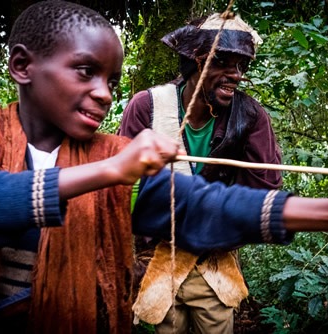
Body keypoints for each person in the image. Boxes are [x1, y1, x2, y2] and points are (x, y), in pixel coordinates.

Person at [0, 2, 328, 334]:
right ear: (22, 67)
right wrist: (114, 171)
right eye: (86, 71)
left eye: (111, 78)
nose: (104, 93)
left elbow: (200, 204)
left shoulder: (112, 157)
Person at [118, 12, 282, 333]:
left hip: (214, 263)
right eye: (223, 62)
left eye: (241, 67)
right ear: (194, 62)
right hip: (157, 259)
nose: (234, 75)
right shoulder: (148, 106)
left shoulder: (249, 116)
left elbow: (264, 189)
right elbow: (124, 184)